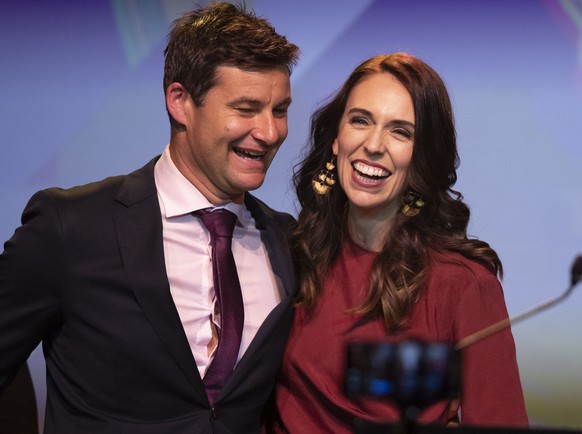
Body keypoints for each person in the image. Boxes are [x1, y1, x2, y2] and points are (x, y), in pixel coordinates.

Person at [0, 3, 299, 433]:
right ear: (179, 102)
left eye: (280, 110)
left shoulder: (288, 242)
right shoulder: (70, 228)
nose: (270, 133)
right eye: (247, 108)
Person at [271, 53, 528, 432]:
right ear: (336, 139)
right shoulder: (288, 254)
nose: (374, 145)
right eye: (360, 121)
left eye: (400, 131)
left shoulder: (463, 285)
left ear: (421, 157)